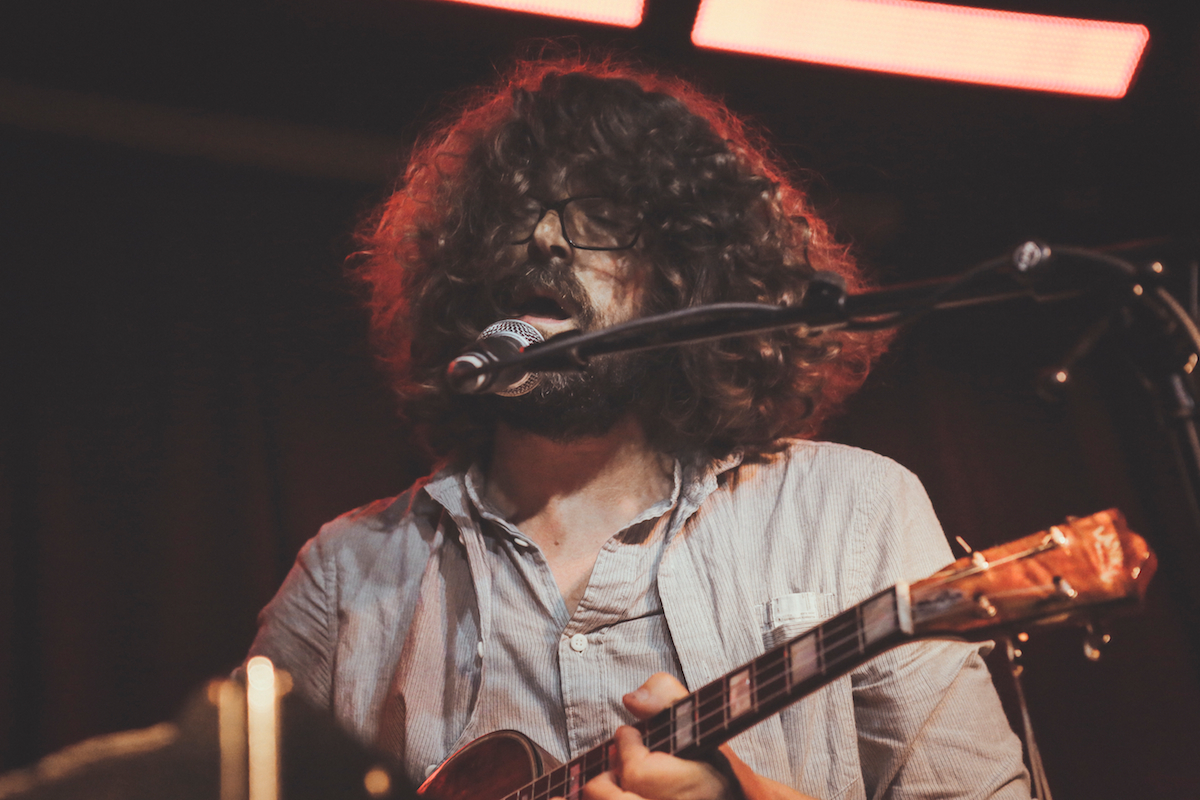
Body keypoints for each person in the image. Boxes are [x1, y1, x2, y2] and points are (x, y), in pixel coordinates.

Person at [246, 54, 1031, 800]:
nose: (546, 239)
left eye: (600, 215)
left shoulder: (852, 509)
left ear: (684, 276)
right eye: (515, 216)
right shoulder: (345, 577)